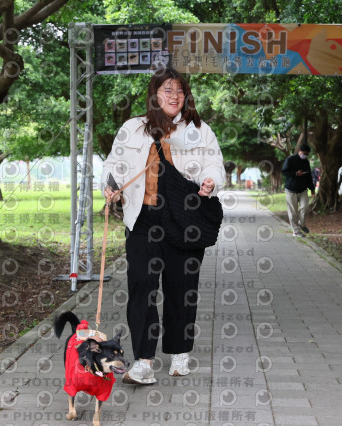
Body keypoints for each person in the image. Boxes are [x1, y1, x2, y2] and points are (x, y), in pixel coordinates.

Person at [102, 68, 225, 385]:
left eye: (180, 91)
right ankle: (143, 361)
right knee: (141, 286)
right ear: (154, 95)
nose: (174, 96)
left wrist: (211, 181)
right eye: (167, 90)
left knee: (181, 287)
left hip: (184, 217)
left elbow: (214, 164)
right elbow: (113, 164)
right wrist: (110, 186)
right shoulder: (133, 128)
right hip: (142, 218)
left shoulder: (199, 130)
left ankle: (180, 353)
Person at [282, 144, 315, 237]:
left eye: (307, 154)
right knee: (293, 212)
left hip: (303, 189)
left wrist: (312, 189)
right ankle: (296, 231)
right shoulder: (290, 159)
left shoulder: (306, 162)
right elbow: (284, 172)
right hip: (291, 190)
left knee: (305, 207)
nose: (305, 155)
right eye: (304, 153)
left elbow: (309, 176)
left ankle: (301, 223)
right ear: (299, 151)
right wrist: (295, 173)